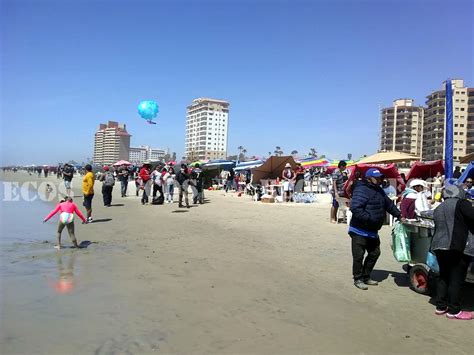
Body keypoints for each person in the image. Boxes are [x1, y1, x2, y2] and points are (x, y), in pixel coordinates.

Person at [349, 168, 402, 290]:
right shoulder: (361, 189)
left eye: (380, 177)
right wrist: (370, 219)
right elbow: (356, 208)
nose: (380, 179)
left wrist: (399, 215)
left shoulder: (379, 190)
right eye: (377, 177)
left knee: (374, 253)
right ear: (369, 178)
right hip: (359, 229)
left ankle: (366, 276)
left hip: (372, 230)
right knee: (358, 256)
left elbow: (388, 205)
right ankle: (358, 278)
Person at [431, 185, 474, 320]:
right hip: (456, 247)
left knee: (444, 276)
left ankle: (441, 306)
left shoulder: (438, 208)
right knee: (456, 279)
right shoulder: (462, 204)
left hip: (439, 246)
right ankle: (454, 310)